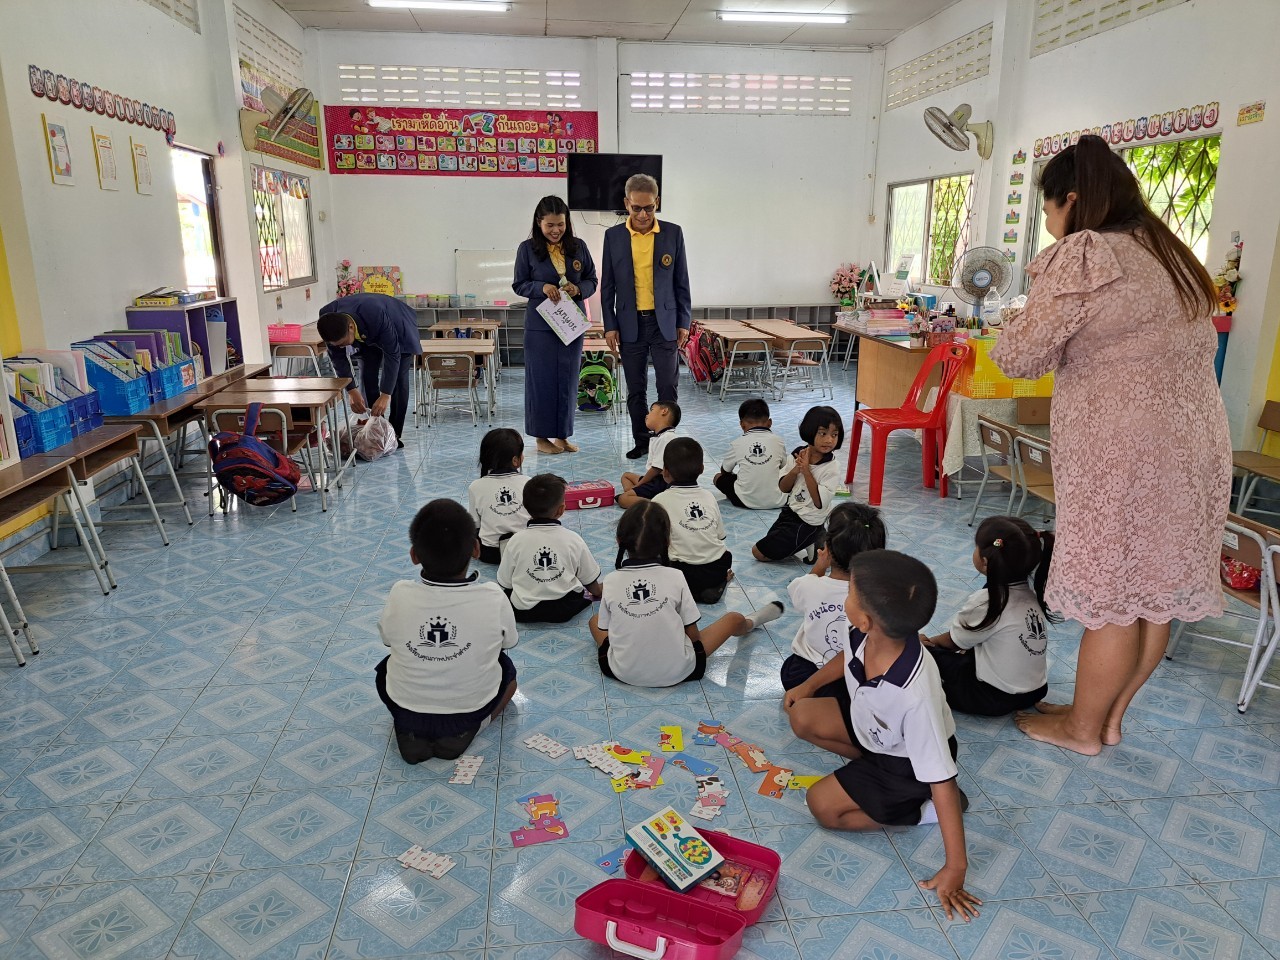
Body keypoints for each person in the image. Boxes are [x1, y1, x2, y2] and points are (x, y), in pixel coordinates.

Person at [990, 135, 1231, 756]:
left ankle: (1081, 730)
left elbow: (1019, 357)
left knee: (1114, 596)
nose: (1048, 225)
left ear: (1071, 200)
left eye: (1048, 210)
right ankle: (1107, 718)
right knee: (1153, 593)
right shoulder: (1170, 252)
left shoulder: (1086, 252)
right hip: (1198, 447)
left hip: (1125, 454)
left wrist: (1015, 319)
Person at [784, 550, 980, 922]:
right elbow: (847, 657)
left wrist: (956, 867)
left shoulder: (915, 695)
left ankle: (921, 812)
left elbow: (941, 778)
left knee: (823, 807)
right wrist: (808, 685)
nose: (845, 595)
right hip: (875, 733)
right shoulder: (866, 632)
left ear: (866, 618)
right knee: (803, 716)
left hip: (906, 765)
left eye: (850, 592)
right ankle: (876, 775)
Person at [375, 499, 518, 763]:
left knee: (386, 666)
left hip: (407, 710)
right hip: (470, 709)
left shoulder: (400, 593)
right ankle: (472, 727)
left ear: (414, 555)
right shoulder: (492, 596)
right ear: (476, 549)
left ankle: (410, 732)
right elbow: (509, 642)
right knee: (508, 672)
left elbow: (387, 640)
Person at [590, 501, 784, 687]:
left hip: (622, 672)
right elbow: (693, 637)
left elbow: (610, 631)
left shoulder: (611, 580)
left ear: (619, 540)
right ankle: (752, 622)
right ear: (668, 541)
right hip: (682, 670)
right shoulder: (676, 576)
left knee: (595, 621)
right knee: (733, 618)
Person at [923, 517, 1057, 717]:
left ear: (985, 562)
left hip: (991, 699)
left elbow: (952, 642)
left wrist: (925, 644)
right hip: (1035, 692)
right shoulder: (1031, 595)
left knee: (919, 654)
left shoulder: (987, 601)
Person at [600, 173, 692, 460]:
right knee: (636, 388)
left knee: (667, 386)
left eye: (649, 208)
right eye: (636, 208)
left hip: (665, 323)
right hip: (630, 324)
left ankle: (666, 443)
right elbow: (608, 286)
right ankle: (642, 442)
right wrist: (610, 325)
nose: (642, 214)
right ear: (626, 204)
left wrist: (683, 321)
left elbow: (682, 282)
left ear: (657, 203)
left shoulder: (672, 233)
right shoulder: (613, 237)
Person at [513, 196, 599, 456]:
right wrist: (542, 287)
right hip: (541, 328)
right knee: (541, 381)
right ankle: (541, 437)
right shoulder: (527, 249)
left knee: (568, 379)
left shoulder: (578, 246)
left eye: (560, 224)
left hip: (570, 325)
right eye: (549, 225)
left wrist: (578, 289)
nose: (555, 230)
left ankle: (562, 435)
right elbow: (519, 284)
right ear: (539, 223)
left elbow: (592, 279)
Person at [781, 502, 886, 697]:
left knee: (789, 668)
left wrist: (820, 566)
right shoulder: (879, 596)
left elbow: (797, 596)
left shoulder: (809, 585)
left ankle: (814, 702)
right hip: (852, 677)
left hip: (803, 671)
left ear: (827, 548)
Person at [317, 292, 423, 447]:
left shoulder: (375, 313)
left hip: (399, 324)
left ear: (350, 327)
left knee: (399, 379)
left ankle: (394, 435)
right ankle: (376, 430)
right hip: (366, 329)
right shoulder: (327, 318)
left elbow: (393, 355)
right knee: (367, 375)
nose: (341, 347)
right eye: (337, 345)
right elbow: (338, 358)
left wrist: (385, 395)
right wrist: (351, 390)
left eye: (343, 343)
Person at [497, 473, 602, 623]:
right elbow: (589, 580)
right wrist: (598, 591)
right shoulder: (573, 539)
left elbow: (505, 582)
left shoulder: (515, 541)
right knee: (577, 593)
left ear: (525, 507)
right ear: (561, 510)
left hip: (525, 611)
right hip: (564, 608)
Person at [752, 406, 845, 563]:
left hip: (809, 521)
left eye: (834, 435)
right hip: (790, 512)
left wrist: (806, 471)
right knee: (769, 543)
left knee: (758, 553)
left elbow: (819, 502)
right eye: (823, 433)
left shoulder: (832, 466)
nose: (829, 440)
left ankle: (815, 535)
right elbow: (783, 487)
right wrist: (796, 470)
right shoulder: (797, 454)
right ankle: (813, 540)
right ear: (809, 431)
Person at [653, 438, 732, 605]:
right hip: (715, 567)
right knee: (725, 555)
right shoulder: (709, 497)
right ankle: (713, 585)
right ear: (702, 469)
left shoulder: (659, 500)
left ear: (665, 471)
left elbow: (653, 542)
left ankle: (683, 591)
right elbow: (720, 536)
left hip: (681, 571)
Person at [715, 398, 790, 510]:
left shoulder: (737, 443)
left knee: (717, 477)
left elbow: (725, 471)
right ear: (770, 422)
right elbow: (784, 467)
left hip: (744, 501)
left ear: (742, 424)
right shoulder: (779, 441)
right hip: (778, 500)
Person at [468, 428, 529, 564]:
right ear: (515, 460)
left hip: (489, 554)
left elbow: (475, 524)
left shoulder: (475, 486)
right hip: (524, 551)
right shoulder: (528, 483)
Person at [618, 401, 680, 507]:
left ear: (664, 411)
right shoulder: (660, 435)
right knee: (626, 476)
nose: (647, 415)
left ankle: (657, 505)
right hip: (656, 480)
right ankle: (637, 495)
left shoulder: (667, 437)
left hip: (662, 483)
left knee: (623, 499)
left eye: (651, 410)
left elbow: (656, 469)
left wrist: (639, 485)